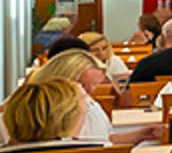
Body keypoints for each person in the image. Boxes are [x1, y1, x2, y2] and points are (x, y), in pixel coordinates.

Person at [31, 48, 160, 144]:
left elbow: (105, 139)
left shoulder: (89, 103)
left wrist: (140, 135)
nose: (89, 92)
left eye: (95, 85)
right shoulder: (42, 110)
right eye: (82, 85)